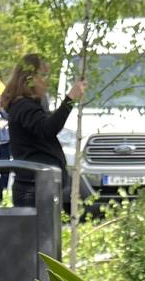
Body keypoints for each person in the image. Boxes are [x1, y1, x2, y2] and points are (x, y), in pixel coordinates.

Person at [5, 53, 87, 208]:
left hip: (38, 184)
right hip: (34, 187)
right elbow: (49, 128)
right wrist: (70, 100)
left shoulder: (28, 105)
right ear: (29, 78)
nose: (47, 81)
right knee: (38, 232)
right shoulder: (24, 107)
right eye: (43, 75)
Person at [0, 97, 12, 203]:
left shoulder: (4, 111)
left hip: (4, 142)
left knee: (5, 168)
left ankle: (2, 191)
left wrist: (0, 109)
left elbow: (9, 117)